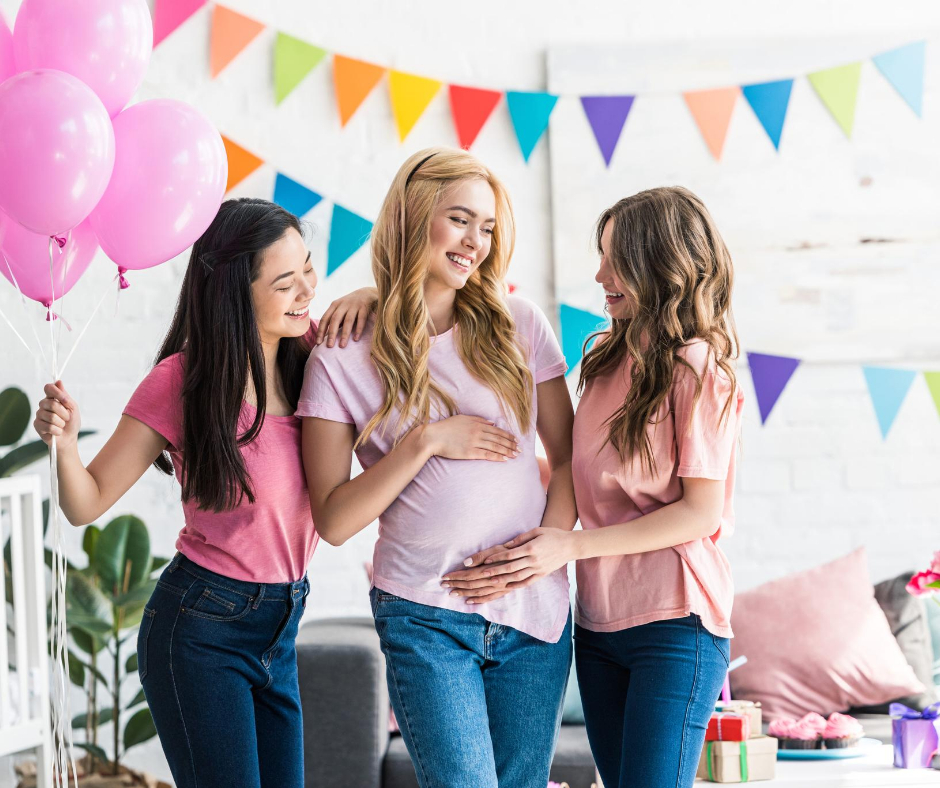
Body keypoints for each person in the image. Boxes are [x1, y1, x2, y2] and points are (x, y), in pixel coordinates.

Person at [32, 198, 376, 788]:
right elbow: (85, 502)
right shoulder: (181, 383)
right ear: (236, 292)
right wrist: (63, 444)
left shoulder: (317, 353)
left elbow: (411, 316)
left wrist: (369, 296)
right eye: (286, 282)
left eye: (309, 271)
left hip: (282, 622)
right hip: (201, 629)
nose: (307, 292)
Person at [444, 186, 744, 788]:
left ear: (664, 265)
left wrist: (569, 547)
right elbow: (570, 476)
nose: (601, 273)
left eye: (617, 259)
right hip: (600, 624)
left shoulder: (699, 369)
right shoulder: (606, 358)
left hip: (676, 623)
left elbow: (699, 514)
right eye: (601, 255)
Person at [298, 148, 577, 788]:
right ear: (414, 215)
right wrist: (422, 443)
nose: (476, 242)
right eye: (460, 219)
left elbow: (567, 463)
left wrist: (546, 552)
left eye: (487, 227)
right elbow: (335, 521)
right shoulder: (341, 353)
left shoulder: (520, 325)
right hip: (425, 613)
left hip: (532, 611)